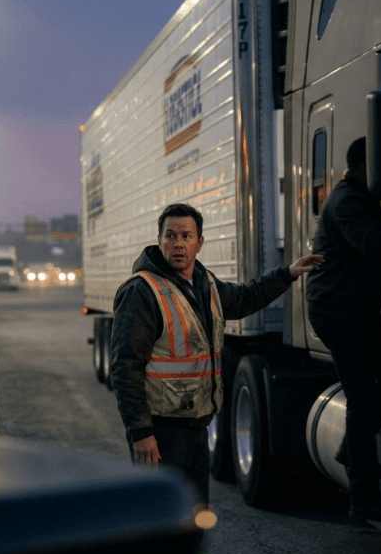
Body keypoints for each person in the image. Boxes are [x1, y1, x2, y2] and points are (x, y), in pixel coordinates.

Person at [111, 202, 323, 505]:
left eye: (186, 236)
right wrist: (141, 433)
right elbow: (124, 368)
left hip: (197, 426)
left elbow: (244, 298)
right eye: (170, 236)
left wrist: (287, 273)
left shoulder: (204, 282)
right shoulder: (142, 292)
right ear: (159, 241)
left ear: (200, 242)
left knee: (194, 516)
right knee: (161, 520)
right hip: (163, 431)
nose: (178, 244)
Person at [306, 137, 381, 523]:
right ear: (363, 166)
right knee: (362, 399)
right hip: (340, 312)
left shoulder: (360, 195)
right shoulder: (349, 201)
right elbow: (373, 246)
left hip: (356, 311)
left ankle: (351, 453)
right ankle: (363, 498)